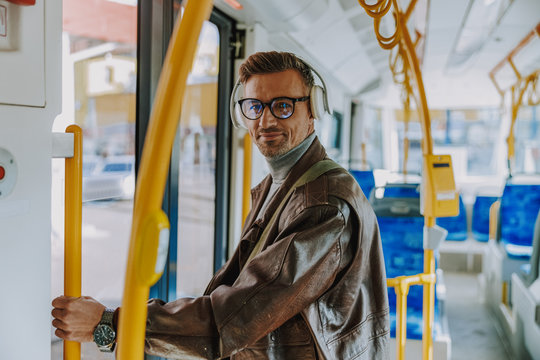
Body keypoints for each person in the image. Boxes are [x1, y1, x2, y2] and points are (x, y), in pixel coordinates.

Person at [52, 51, 389, 359]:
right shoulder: (281, 185)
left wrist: (111, 323)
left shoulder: (323, 205)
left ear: (313, 109)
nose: (265, 121)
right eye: (254, 106)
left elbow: (237, 318)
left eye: (283, 105)